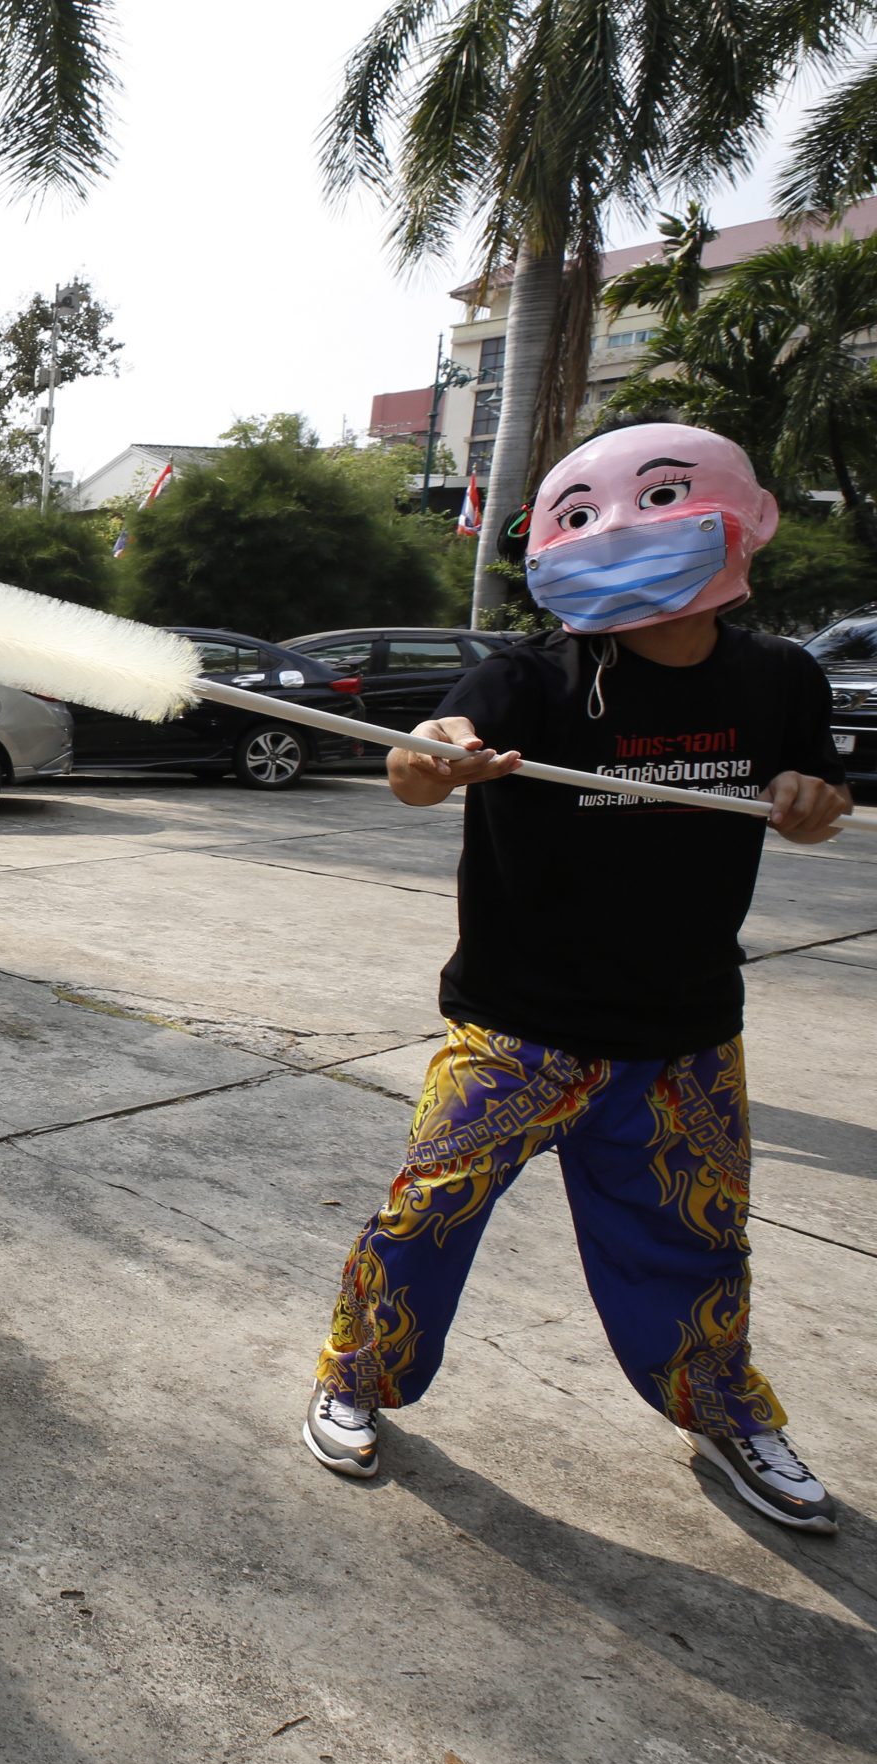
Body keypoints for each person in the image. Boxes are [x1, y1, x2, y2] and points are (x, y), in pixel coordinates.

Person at [302, 424, 855, 1534]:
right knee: (425, 1215)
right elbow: (416, 766)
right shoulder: (523, 679)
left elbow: (819, 798)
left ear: (739, 526)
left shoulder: (779, 678)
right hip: (514, 1028)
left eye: (658, 503)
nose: (619, 532)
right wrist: (431, 757)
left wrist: (811, 800)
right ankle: (355, 1377)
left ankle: (724, 1415)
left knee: (698, 1243)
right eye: (587, 516)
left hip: (684, 1032)